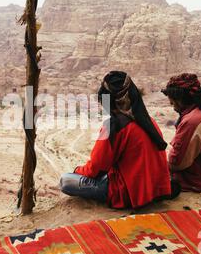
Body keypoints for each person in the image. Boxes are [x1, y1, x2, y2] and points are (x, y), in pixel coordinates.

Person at [60, 71, 180, 209]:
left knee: (66, 180)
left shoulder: (114, 126)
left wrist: (77, 170)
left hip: (128, 192)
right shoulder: (148, 121)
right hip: (155, 188)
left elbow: (96, 168)